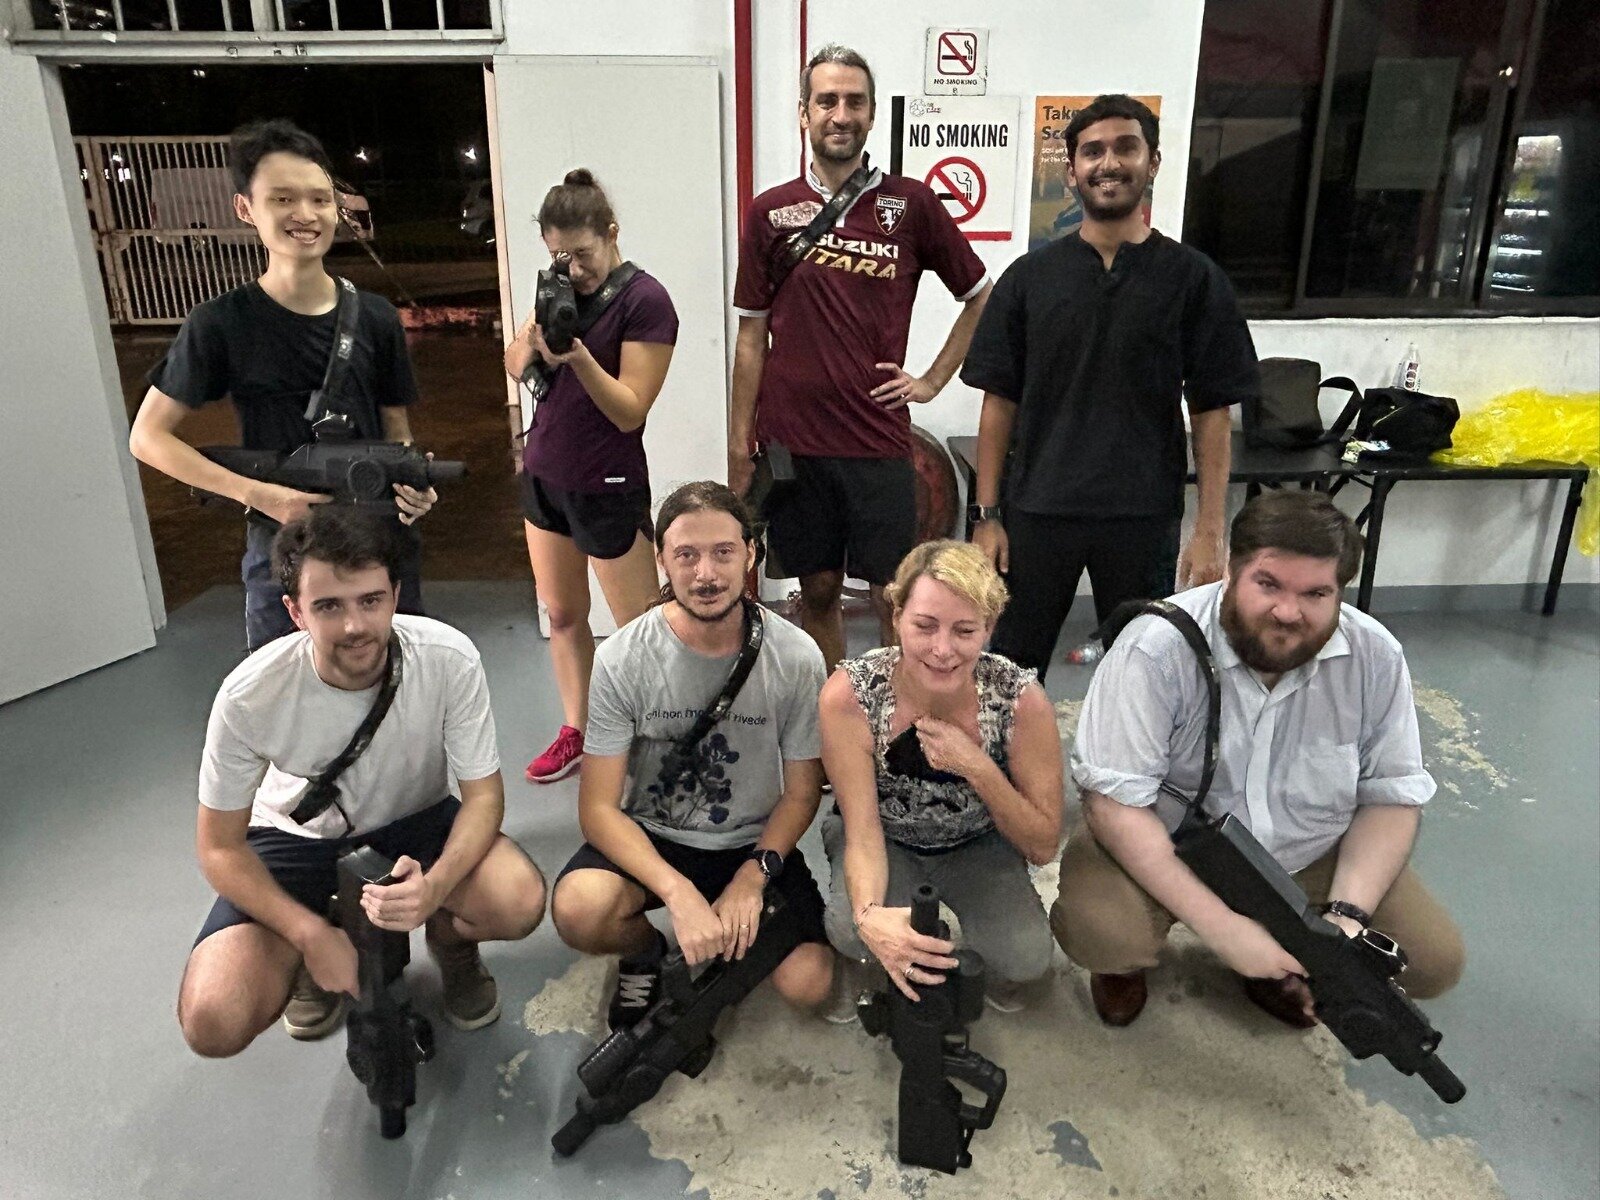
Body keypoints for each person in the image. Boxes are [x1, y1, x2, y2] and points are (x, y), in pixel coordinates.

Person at [1056, 490, 1465, 1028]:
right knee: (1104, 932)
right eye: (1268, 584)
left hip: (1308, 850)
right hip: (1175, 844)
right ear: (1230, 570)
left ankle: (1275, 965)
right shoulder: (1153, 650)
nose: (1288, 612)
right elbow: (1116, 808)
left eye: (1316, 593)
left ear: (1340, 591)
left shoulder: (1375, 656)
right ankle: (1131, 964)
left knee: (1432, 963)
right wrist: (1224, 929)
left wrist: (1343, 922)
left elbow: (1390, 796)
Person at [176, 506, 546, 1057]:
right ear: (295, 612)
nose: (354, 626)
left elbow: (484, 796)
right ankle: (311, 935)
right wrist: (310, 934)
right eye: (328, 606)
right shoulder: (248, 695)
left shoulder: (448, 659)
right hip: (295, 839)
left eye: (370, 601)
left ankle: (452, 946)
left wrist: (437, 888)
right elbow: (219, 847)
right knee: (214, 1020)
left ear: (395, 597)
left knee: (517, 901)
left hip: (415, 820)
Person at [960, 94, 1260, 679]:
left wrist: (1208, 529)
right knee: (1006, 674)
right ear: (1070, 170)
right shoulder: (1029, 279)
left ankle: (1124, 775)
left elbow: (1210, 410)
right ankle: (1005, 774)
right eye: (1092, 151)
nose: (1109, 163)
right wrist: (986, 515)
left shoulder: (1194, 280)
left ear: (1153, 162)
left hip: (1142, 514)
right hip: (1036, 512)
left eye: (1126, 147)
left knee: (1143, 671)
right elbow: (999, 402)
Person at [730, 44, 992, 672]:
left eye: (854, 101)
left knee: (892, 597)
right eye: (827, 100)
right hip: (794, 444)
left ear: (873, 115)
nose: (840, 113)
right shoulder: (770, 212)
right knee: (817, 591)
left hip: (877, 443)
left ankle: (894, 724)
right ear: (804, 114)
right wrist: (741, 445)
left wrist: (931, 380)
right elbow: (750, 337)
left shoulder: (911, 205)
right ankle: (835, 716)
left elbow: (981, 295)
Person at [130, 118, 436, 652]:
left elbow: (396, 431)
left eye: (320, 199)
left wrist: (415, 487)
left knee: (399, 699)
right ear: (245, 209)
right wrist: (261, 496)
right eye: (283, 199)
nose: (305, 214)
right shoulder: (222, 322)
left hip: (378, 546)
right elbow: (148, 437)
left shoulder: (378, 317)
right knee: (286, 710)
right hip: (284, 554)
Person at [548, 482, 834, 1029]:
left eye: (723, 552)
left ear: (752, 553)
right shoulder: (622, 658)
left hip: (750, 841)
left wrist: (751, 880)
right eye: (686, 555)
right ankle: (644, 953)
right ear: (661, 561)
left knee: (811, 984)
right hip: (657, 837)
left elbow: (801, 793)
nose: (706, 574)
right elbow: (599, 809)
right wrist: (677, 894)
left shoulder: (796, 656)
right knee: (580, 909)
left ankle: (733, 926)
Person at [819, 540, 1062, 1013]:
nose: (942, 649)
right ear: (896, 617)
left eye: (965, 630)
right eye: (924, 626)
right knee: (853, 932)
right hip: (886, 836)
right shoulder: (850, 696)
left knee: (1026, 959)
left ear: (989, 628)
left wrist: (976, 765)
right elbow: (864, 832)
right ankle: (878, 951)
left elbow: (1042, 844)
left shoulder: (1020, 700)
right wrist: (870, 916)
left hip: (976, 841)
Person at [503, 169, 679, 787]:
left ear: (612, 234)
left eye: (583, 254)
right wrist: (536, 345)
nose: (572, 269)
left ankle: (654, 737)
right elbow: (515, 360)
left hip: (607, 480)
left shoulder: (645, 301)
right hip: (546, 476)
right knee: (563, 613)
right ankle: (577, 728)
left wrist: (576, 356)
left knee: (640, 630)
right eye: (559, 255)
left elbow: (631, 408)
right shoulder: (556, 289)